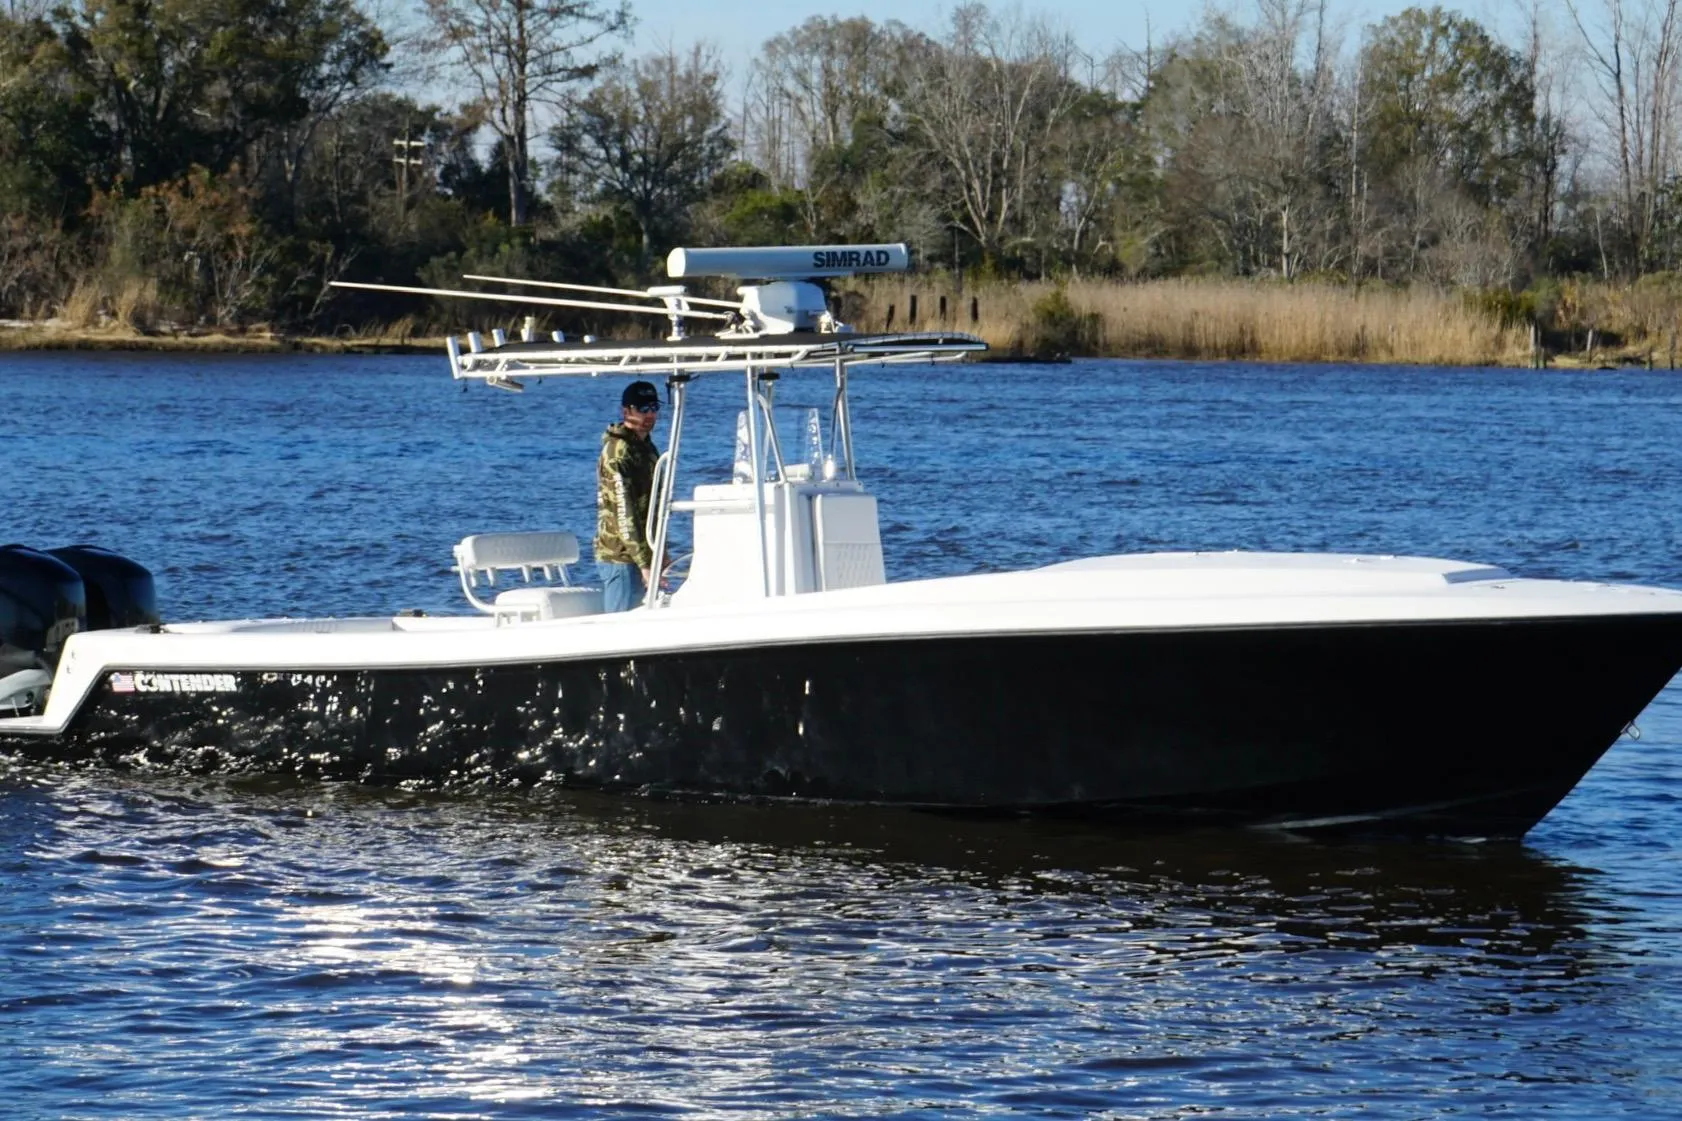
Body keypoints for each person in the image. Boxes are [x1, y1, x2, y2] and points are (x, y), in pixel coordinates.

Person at [594, 380, 662, 611]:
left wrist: (660, 552)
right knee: (618, 630)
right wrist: (645, 565)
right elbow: (624, 511)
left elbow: (654, 507)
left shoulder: (647, 449)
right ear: (626, 411)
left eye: (654, 407)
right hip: (619, 557)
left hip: (643, 552)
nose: (649, 414)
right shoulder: (617, 452)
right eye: (643, 409)